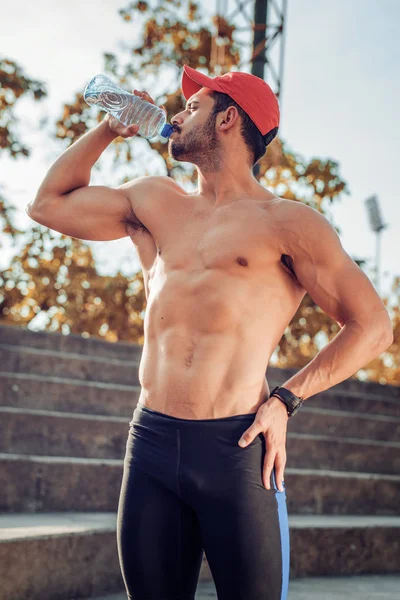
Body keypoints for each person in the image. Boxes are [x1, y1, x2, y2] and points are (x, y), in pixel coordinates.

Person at [26, 65, 393, 600]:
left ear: (227, 119)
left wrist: (286, 400)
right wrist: (110, 128)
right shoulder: (154, 200)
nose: (174, 116)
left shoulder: (287, 221)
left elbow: (374, 327)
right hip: (150, 443)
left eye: (191, 106)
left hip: (236, 451)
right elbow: (47, 206)